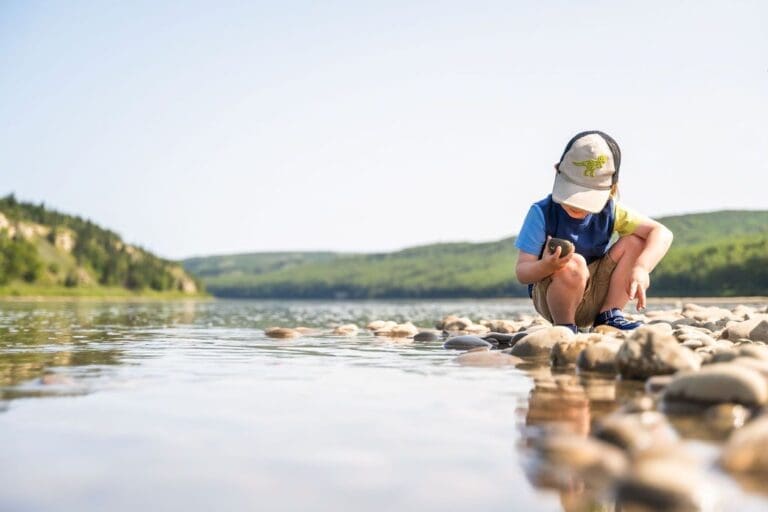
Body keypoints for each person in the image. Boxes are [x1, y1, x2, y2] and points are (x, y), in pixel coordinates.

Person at [514, 131, 673, 333]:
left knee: (636, 241)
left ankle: (609, 314)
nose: (577, 206)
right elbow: (522, 273)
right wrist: (546, 265)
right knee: (575, 262)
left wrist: (642, 268)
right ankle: (565, 327)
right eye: (571, 194)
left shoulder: (612, 210)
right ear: (557, 172)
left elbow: (662, 233)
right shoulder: (542, 213)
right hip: (553, 298)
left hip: (596, 295)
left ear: (611, 188)